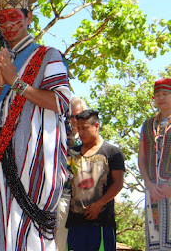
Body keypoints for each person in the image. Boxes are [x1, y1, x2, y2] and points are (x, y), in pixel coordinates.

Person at [0, 0, 71, 249]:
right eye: (1, 19)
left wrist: (16, 83)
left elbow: (60, 102)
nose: (8, 25)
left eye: (14, 17)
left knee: (32, 235)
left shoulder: (49, 56)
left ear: (28, 17)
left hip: (35, 157)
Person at [66, 110, 125, 251]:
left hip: (102, 224)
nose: (81, 132)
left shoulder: (113, 152)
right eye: (78, 128)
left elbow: (118, 183)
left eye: (84, 128)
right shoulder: (72, 153)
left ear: (96, 126)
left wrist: (99, 204)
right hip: (75, 224)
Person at [138, 78, 171, 251]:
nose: (161, 98)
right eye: (157, 95)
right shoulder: (148, 125)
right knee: (155, 240)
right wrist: (149, 184)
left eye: (165, 94)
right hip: (153, 191)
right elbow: (141, 158)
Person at [56, 96, 87, 251]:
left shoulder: (91, 140)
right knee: (59, 244)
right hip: (62, 197)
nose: (75, 120)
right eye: (71, 116)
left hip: (84, 202)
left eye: (79, 116)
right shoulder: (60, 135)